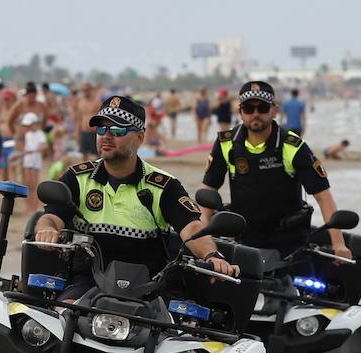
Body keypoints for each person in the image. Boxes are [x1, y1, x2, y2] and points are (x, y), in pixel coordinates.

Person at [32, 94, 238, 300]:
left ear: (140, 137)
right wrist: (47, 230)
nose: (106, 136)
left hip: (150, 287)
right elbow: (51, 216)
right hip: (88, 282)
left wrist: (212, 255)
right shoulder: (77, 177)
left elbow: (192, 227)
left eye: (117, 129)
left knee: (183, 326)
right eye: (101, 129)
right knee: (63, 314)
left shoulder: (164, 185)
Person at [199, 81, 350, 261]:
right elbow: (207, 193)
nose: (255, 114)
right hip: (243, 240)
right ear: (240, 112)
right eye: (248, 108)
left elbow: (323, 196)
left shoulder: (293, 146)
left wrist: (338, 244)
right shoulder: (226, 143)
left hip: (289, 243)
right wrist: (202, 239)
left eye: (262, 108)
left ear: (274, 111)